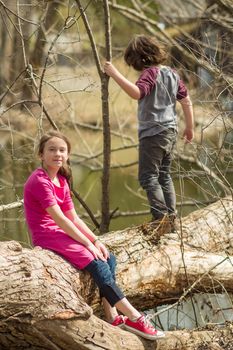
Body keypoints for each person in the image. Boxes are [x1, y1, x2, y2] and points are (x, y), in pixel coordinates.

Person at [23, 130, 165, 341]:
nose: (57, 154)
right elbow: (61, 219)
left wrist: (95, 240)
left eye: (62, 150)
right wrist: (86, 245)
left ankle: (113, 316)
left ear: (68, 154)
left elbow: (74, 217)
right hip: (46, 235)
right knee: (97, 262)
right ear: (41, 155)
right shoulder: (40, 181)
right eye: (51, 150)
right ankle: (135, 317)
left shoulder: (61, 179)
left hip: (60, 231)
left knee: (108, 257)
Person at [104, 35, 194, 227]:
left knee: (148, 177)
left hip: (153, 133)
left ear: (140, 59)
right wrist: (190, 127)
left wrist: (114, 74)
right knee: (164, 174)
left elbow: (137, 93)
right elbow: (186, 101)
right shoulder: (172, 73)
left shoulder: (150, 73)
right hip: (170, 131)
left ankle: (160, 219)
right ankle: (171, 218)